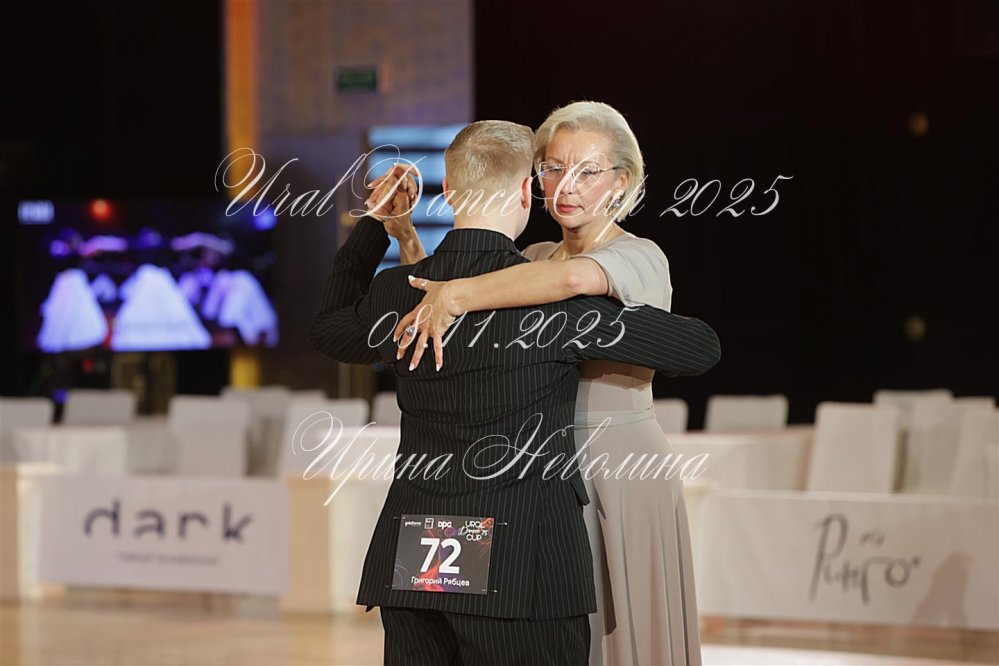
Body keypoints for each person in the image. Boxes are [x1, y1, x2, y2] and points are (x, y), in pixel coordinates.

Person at [310, 119, 720, 665]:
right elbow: (699, 348)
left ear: (448, 191)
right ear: (528, 189)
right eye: (553, 170)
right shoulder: (549, 303)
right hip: (523, 564)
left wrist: (376, 228)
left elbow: (330, 328)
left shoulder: (400, 294)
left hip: (417, 555)